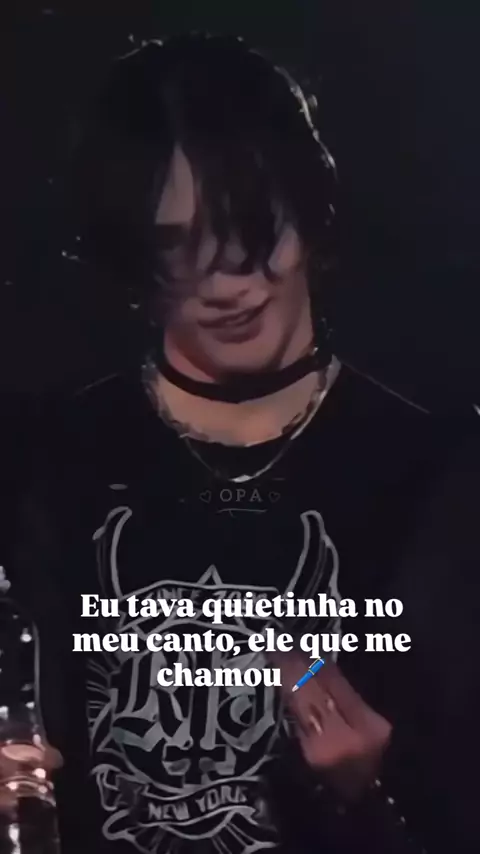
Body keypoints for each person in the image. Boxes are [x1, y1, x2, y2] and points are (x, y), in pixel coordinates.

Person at [6, 33, 478, 854]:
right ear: (128, 255)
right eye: (175, 245)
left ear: (311, 207)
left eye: (251, 227)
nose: (226, 281)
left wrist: (377, 794)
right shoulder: (40, 466)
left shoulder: (440, 474)